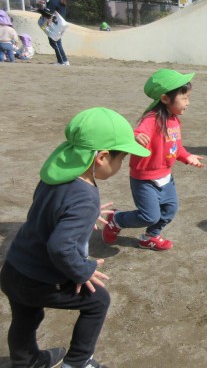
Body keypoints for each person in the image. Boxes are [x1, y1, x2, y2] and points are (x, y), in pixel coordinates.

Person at [0, 107, 150, 368]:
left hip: (14, 269)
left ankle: (25, 362)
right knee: (98, 301)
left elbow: (52, 209)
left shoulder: (55, 174)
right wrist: (83, 270)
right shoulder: (85, 197)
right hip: (40, 279)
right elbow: (61, 247)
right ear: (102, 157)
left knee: (26, 317)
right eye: (122, 158)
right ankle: (78, 362)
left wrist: (86, 215)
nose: (122, 164)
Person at [102, 68, 205, 251]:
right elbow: (138, 132)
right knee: (149, 216)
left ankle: (150, 237)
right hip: (145, 180)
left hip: (166, 178)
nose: (188, 103)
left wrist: (187, 156)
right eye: (184, 98)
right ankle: (117, 220)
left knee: (169, 210)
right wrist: (135, 136)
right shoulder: (152, 119)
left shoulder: (174, 120)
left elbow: (175, 147)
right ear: (165, 98)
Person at [41, 0, 69, 65]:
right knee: (57, 42)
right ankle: (64, 61)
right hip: (60, 23)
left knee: (54, 42)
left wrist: (41, 8)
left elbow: (48, 13)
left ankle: (62, 61)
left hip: (55, 24)